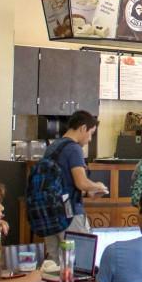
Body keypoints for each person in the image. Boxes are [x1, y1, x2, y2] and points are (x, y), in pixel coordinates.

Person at [41, 110, 107, 262]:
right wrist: (98, 186)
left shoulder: (52, 148)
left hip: (49, 212)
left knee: (55, 262)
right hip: (68, 212)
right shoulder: (74, 148)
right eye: (91, 133)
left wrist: (87, 192)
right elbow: (81, 182)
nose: (90, 139)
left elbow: (63, 183)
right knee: (80, 260)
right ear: (83, 128)